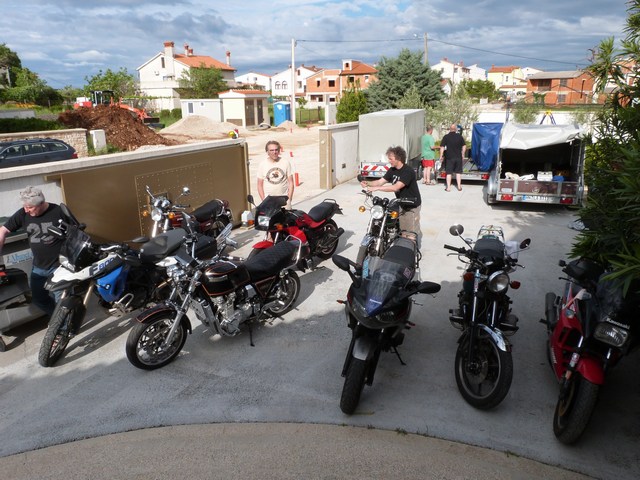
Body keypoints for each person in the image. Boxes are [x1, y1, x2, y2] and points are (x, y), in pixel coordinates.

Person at [0, 187, 68, 317]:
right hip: (39, 267)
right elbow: (2, 231)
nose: (26, 210)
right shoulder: (23, 213)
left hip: (60, 266)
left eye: (30, 207)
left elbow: (76, 233)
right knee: (38, 299)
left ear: (41, 203)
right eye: (25, 206)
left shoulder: (58, 211)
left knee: (62, 302)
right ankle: (59, 319)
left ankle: (63, 325)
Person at [360, 146, 422, 244]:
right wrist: (368, 183)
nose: (389, 161)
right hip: (401, 203)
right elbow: (380, 182)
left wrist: (377, 188)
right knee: (403, 231)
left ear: (398, 158)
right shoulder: (392, 170)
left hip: (412, 204)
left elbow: (396, 187)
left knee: (410, 234)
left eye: (391, 159)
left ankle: (412, 251)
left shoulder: (408, 171)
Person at [257, 140, 295, 208]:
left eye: (276, 150)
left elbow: (291, 182)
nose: (274, 152)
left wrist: (289, 199)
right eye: (271, 150)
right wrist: (264, 200)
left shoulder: (285, 162)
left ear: (279, 150)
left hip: (284, 200)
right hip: (269, 201)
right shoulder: (262, 164)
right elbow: (259, 185)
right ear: (267, 152)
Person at [440, 123, 467, 192]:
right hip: (458, 157)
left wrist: (441, 155)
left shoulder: (446, 137)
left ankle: (448, 188)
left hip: (449, 158)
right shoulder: (459, 137)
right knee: (458, 173)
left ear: (450, 129)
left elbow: (442, 147)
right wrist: (463, 154)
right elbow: (464, 146)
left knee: (449, 173)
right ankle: (459, 187)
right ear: (456, 129)